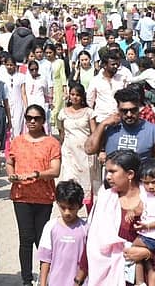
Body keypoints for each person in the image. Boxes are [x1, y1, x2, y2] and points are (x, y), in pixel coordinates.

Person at [83, 150, 155, 285]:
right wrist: (78, 279)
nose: (108, 177)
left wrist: (147, 254)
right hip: (108, 278)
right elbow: (92, 243)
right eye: (107, 171)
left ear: (130, 174)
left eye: (113, 171)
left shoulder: (152, 201)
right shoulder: (105, 200)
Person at [6, 104, 62, 286]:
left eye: (36, 118)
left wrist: (37, 174)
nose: (32, 121)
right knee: (25, 238)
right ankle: (26, 279)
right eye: (28, 117)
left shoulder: (52, 143)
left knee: (42, 239)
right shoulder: (17, 141)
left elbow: (55, 171)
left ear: (43, 121)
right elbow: (10, 162)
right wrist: (11, 175)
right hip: (21, 195)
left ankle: (46, 275)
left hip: (44, 197)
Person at [85, 87, 155, 164]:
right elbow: (89, 150)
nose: (129, 114)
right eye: (124, 111)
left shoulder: (154, 132)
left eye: (133, 110)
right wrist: (102, 124)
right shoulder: (108, 128)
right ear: (118, 109)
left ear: (139, 107)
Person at [36, 180, 88, 286]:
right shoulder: (51, 227)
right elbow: (45, 259)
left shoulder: (85, 229)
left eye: (71, 208)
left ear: (80, 206)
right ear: (57, 203)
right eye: (63, 208)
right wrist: (43, 283)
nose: (67, 212)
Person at [58, 83, 99, 212]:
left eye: (78, 95)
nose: (75, 97)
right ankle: (69, 212)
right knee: (69, 182)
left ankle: (90, 216)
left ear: (82, 97)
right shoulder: (63, 112)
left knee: (87, 183)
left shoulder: (89, 112)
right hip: (69, 152)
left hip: (85, 153)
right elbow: (61, 132)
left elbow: (94, 133)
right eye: (72, 94)